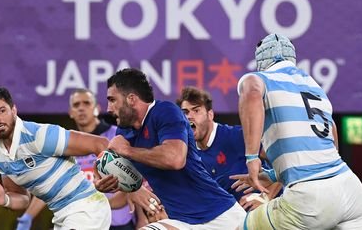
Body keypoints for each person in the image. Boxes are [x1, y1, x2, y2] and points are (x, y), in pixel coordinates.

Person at [234, 33, 362, 229]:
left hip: (310, 197)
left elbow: (251, 91)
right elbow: (332, 138)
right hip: (350, 188)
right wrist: (275, 176)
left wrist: (252, 158)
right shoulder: (315, 87)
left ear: (261, 62)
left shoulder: (259, 78)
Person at [104, 68, 247, 229]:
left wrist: (128, 151)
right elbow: (108, 162)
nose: (109, 108)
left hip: (221, 216)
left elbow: (175, 159)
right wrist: (124, 187)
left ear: (131, 99)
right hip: (181, 222)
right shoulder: (124, 131)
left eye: (112, 100)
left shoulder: (165, 111)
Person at [0, 87, 111, 229]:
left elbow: (100, 143)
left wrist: (127, 186)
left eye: (2, 111)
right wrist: (6, 200)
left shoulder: (39, 135)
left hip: (87, 208)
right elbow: (22, 198)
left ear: (14, 110)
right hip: (62, 215)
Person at [16, 88, 137, 230]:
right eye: (76, 105)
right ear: (70, 113)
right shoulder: (65, 144)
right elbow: (53, 183)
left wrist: (92, 207)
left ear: (97, 108)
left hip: (117, 223)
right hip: (84, 222)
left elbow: (132, 181)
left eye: (86, 103)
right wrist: (27, 216)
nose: (81, 108)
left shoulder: (116, 136)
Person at [176, 86, 282, 210]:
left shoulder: (236, 136)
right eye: (185, 113)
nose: (189, 117)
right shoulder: (188, 155)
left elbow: (284, 160)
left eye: (196, 110)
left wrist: (265, 197)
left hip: (272, 210)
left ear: (210, 115)